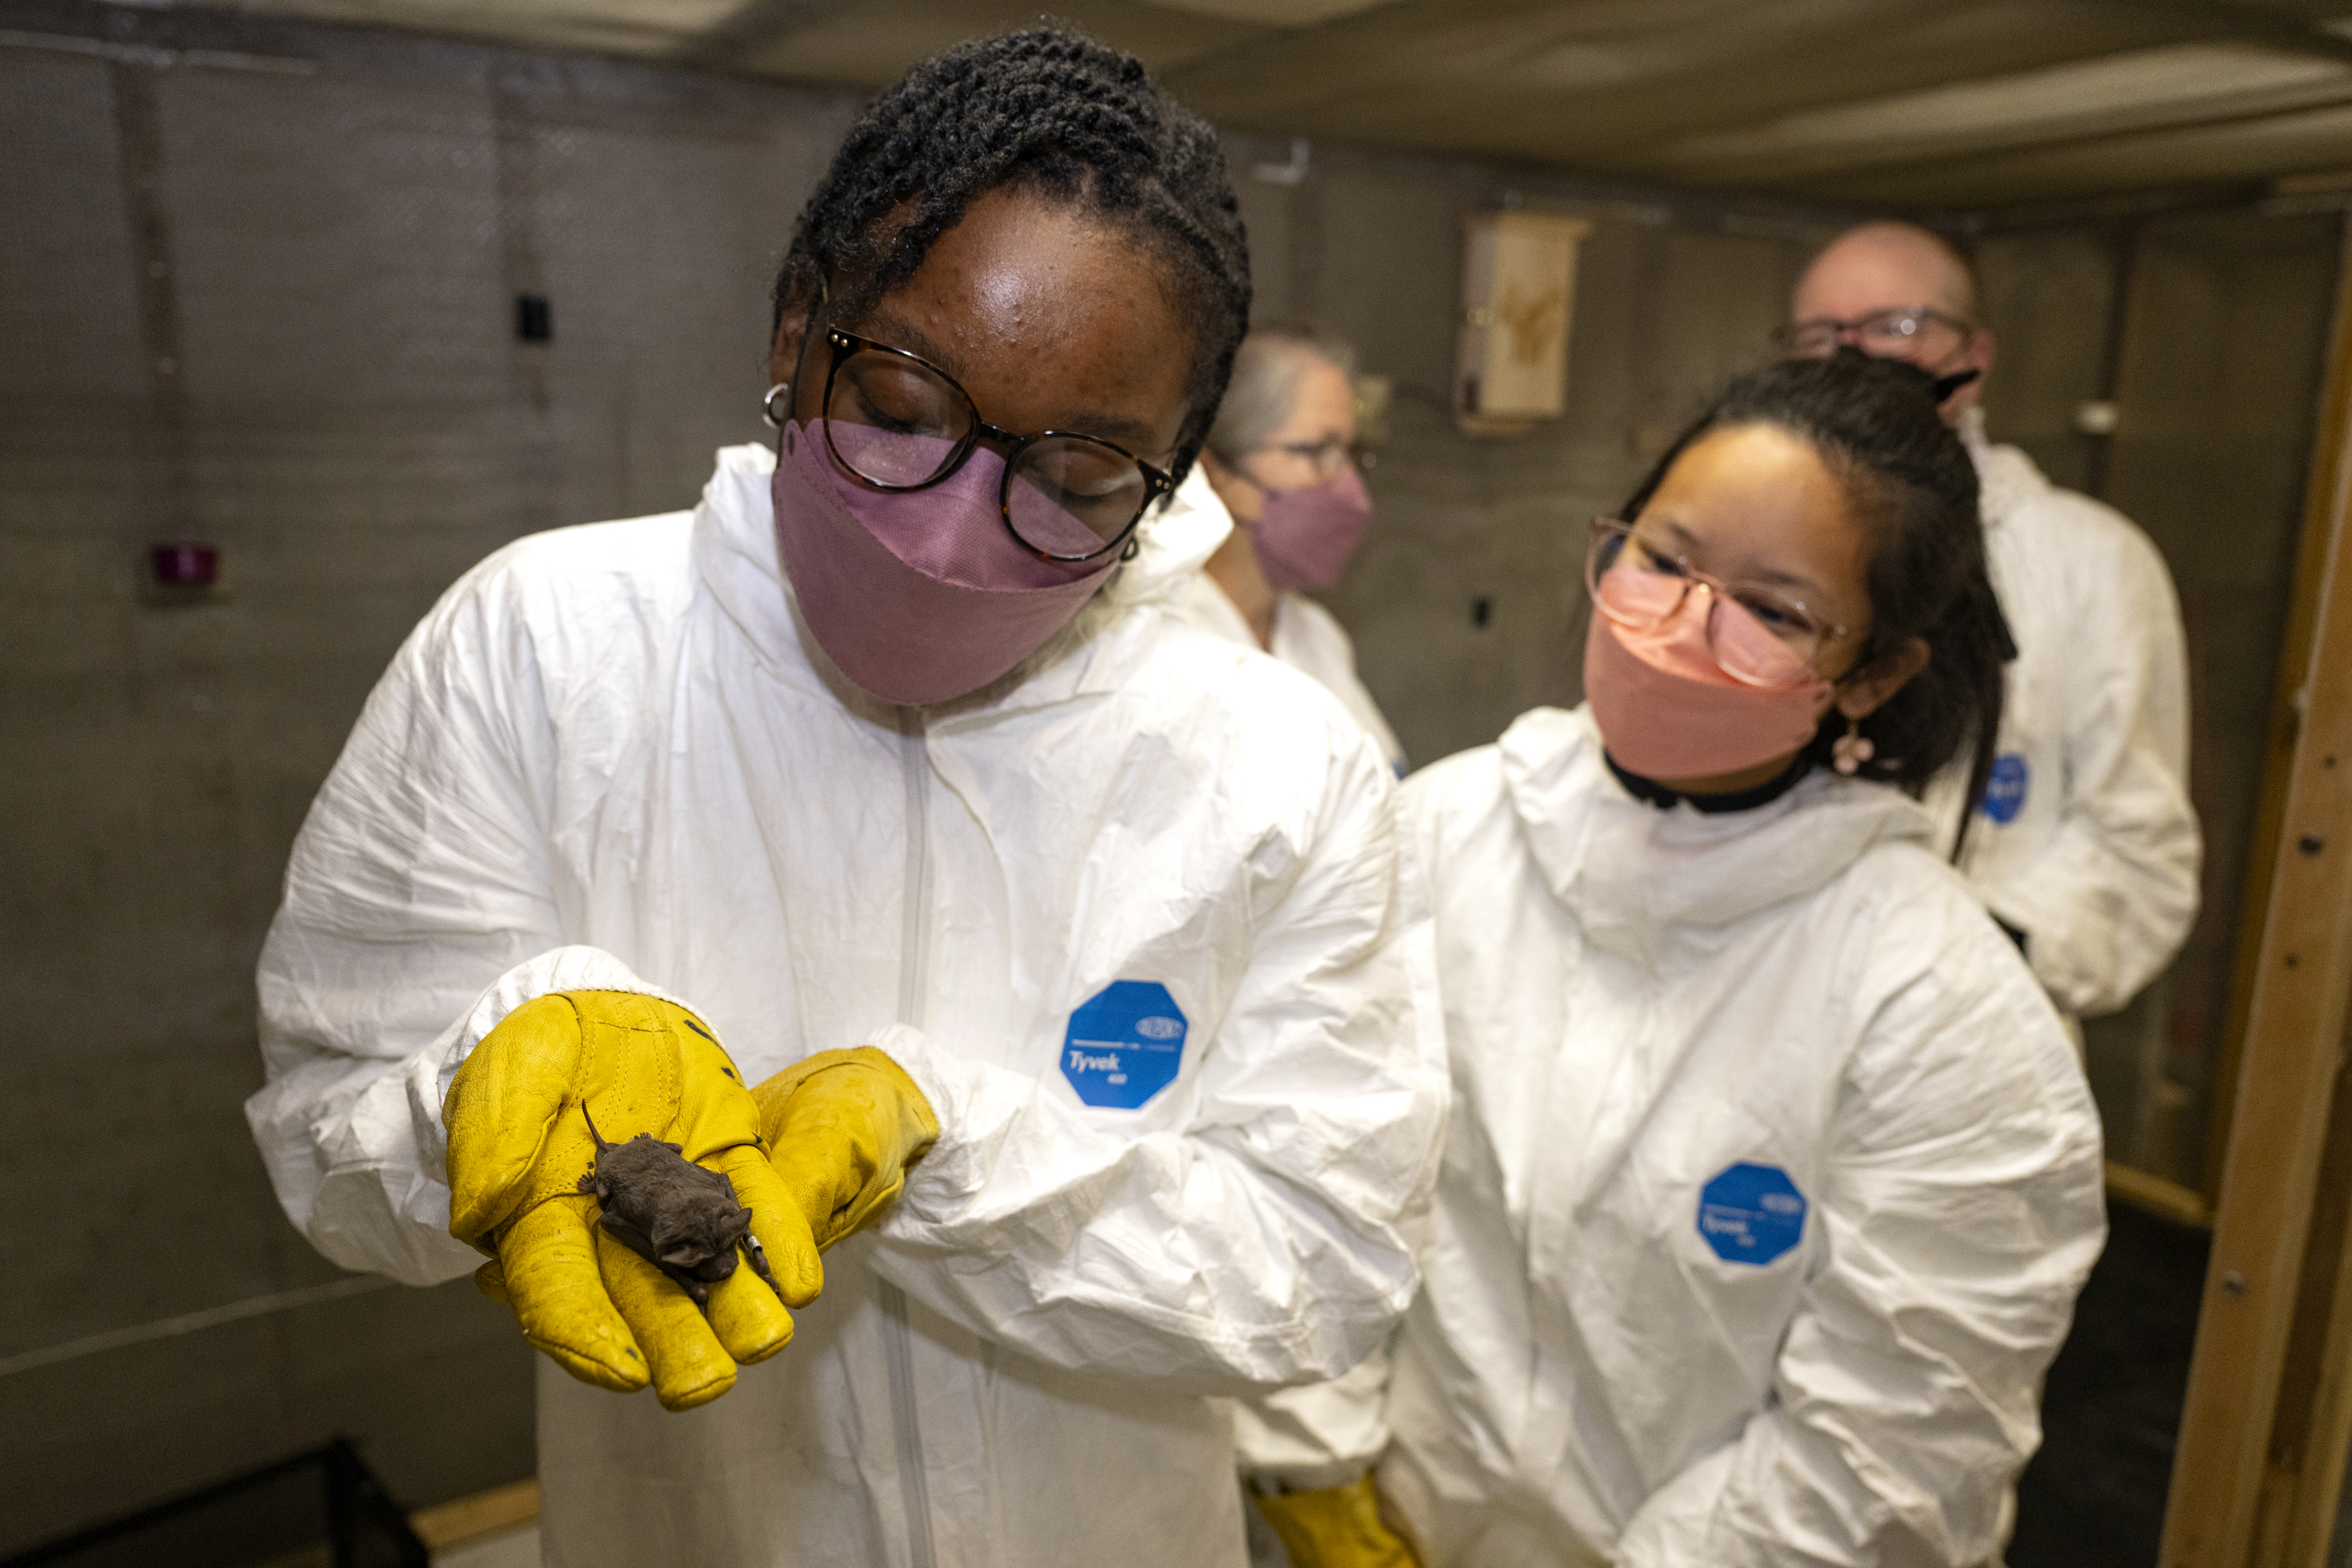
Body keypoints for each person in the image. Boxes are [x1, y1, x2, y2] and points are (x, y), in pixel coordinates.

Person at [243, 29, 1445, 1568]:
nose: (952, 533)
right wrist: (490, 1086)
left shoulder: (1276, 766)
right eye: (898, 399)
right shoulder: (546, 649)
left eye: (1076, 477)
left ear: (1169, 474)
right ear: (798, 326)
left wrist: (943, 1144)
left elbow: (1325, 1266)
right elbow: (329, 1138)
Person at [1251, 355, 2106, 1567]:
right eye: (1663, 559)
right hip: (1405, 1522)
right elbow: (1307, 1168)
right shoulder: (1443, 836)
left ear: (1872, 674)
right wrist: (1316, 1461)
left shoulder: (1935, 1005)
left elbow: (1891, 1453)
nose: (1683, 627)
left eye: (1774, 610)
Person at [1784, 222, 2199, 1028]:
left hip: (1970, 1039)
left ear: (1972, 359)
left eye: (1897, 327)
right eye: (1820, 335)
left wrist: (1962, 956)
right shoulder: (1751, 546)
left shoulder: (2089, 560)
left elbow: (2139, 860)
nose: (1854, 354)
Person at [1175, 329, 1407, 773]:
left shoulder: (1316, 635)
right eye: (1318, 451)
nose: (1349, 488)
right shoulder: (1158, 643)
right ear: (1217, 470)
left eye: (1350, 453)